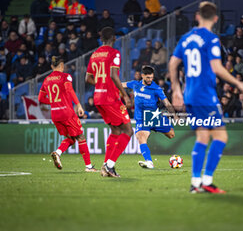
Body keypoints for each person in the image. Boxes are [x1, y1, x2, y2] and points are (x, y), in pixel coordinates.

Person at [169, 2, 243, 194]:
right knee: (221, 136)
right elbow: (217, 68)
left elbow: (172, 63)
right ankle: (207, 181)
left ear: (197, 16)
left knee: (202, 137)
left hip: (190, 95)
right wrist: (239, 84)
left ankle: (196, 183)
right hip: (205, 95)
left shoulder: (186, 39)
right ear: (215, 19)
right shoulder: (211, 39)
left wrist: (176, 89)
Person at [85, 27, 133, 178]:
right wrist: (125, 95)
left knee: (116, 131)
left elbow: (87, 78)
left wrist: (100, 85)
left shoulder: (94, 54)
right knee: (128, 131)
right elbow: (113, 75)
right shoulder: (114, 53)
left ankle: (106, 167)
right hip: (111, 98)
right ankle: (109, 165)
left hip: (98, 98)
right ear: (114, 38)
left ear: (101, 38)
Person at [38, 56, 97, 172]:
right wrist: (79, 105)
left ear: (51, 66)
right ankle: (89, 167)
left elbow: (41, 98)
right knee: (80, 136)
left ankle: (58, 152)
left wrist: (54, 101)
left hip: (55, 114)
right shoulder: (66, 77)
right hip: (66, 112)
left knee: (70, 138)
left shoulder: (46, 80)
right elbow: (69, 90)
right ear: (61, 65)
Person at [122, 65, 176, 169]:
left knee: (171, 135)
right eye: (148, 77)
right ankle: (149, 162)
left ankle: (158, 127)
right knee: (141, 137)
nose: (150, 79)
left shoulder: (156, 88)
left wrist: (175, 116)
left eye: (152, 77)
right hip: (141, 118)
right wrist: (106, 84)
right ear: (142, 76)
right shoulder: (135, 84)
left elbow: (167, 103)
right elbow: (120, 84)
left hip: (153, 117)